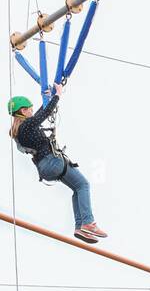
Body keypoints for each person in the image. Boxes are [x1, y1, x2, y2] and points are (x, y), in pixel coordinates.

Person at [7, 83, 108, 243]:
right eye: (30, 109)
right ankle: (88, 223)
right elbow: (45, 113)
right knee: (84, 185)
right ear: (23, 111)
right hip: (52, 162)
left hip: (45, 168)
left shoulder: (20, 130)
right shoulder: (27, 125)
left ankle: (80, 227)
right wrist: (58, 94)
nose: (32, 111)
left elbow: (40, 113)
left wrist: (49, 97)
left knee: (77, 188)